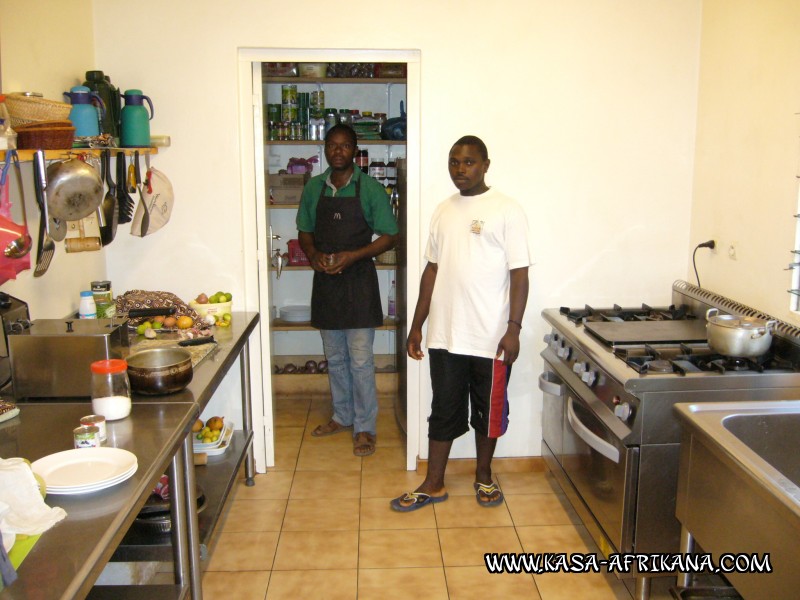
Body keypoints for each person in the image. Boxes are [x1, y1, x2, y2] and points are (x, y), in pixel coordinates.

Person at [391, 135, 532, 511]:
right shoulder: (443, 210)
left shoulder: (507, 210)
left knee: (488, 412)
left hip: (491, 338)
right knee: (443, 409)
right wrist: (417, 324)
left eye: (468, 162)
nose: (460, 169)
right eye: (454, 162)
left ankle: (484, 476)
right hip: (446, 336)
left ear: (486, 164)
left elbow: (520, 274)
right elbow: (432, 269)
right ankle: (434, 483)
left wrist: (514, 328)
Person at [296, 124, 399, 457]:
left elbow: (389, 236)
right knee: (335, 359)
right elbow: (305, 230)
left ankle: (365, 426)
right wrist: (313, 256)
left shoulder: (369, 189)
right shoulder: (313, 188)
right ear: (325, 149)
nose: (337, 151)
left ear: (355, 150)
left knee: (359, 360)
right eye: (332, 145)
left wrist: (352, 256)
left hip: (359, 282)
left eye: (344, 146)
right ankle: (342, 416)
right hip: (326, 282)